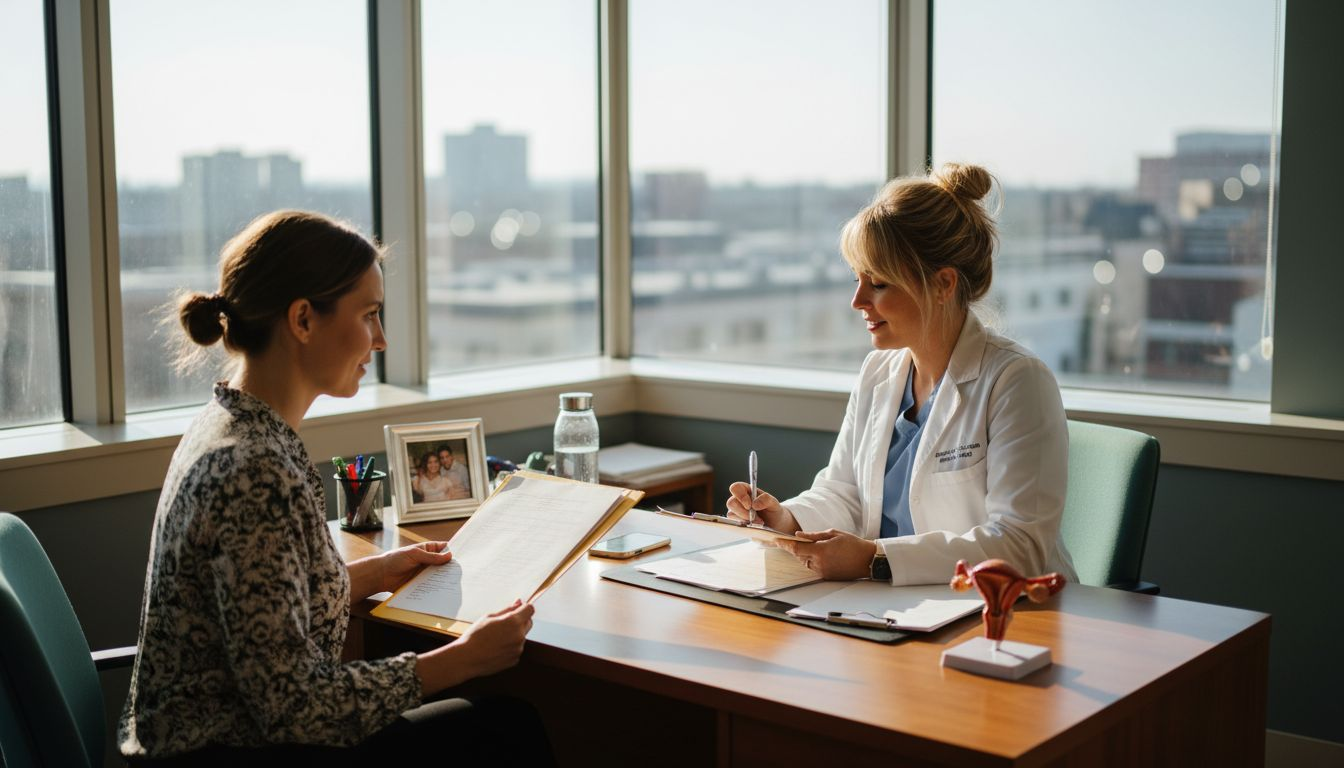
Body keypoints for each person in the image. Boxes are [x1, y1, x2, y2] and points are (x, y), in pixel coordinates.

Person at [119, 210, 552, 765]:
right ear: (302, 319)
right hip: (229, 751)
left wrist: (378, 571)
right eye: (370, 315)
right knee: (507, 729)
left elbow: (263, 612)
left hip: (218, 738)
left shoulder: (232, 423)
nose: (381, 340)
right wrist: (466, 658)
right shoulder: (254, 469)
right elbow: (294, 707)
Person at [726, 164, 1078, 587]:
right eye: (857, 280)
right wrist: (784, 518)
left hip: (1003, 614)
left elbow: (1019, 545)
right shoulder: (878, 372)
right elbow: (845, 493)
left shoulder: (1017, 381)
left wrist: (874, 559)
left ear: (943, 284)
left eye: (877, 284)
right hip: (892, 608)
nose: (857, 301)